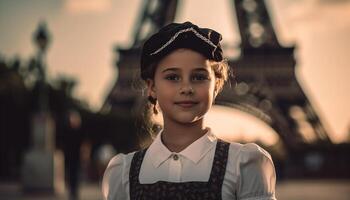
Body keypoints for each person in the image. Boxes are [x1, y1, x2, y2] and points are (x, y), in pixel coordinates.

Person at [102, 21, 277, 200]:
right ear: (152, 87)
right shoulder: (122, 173)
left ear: (216, 86)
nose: (186, 88)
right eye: (173, 77)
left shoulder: (245, 164)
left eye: (199, 77)